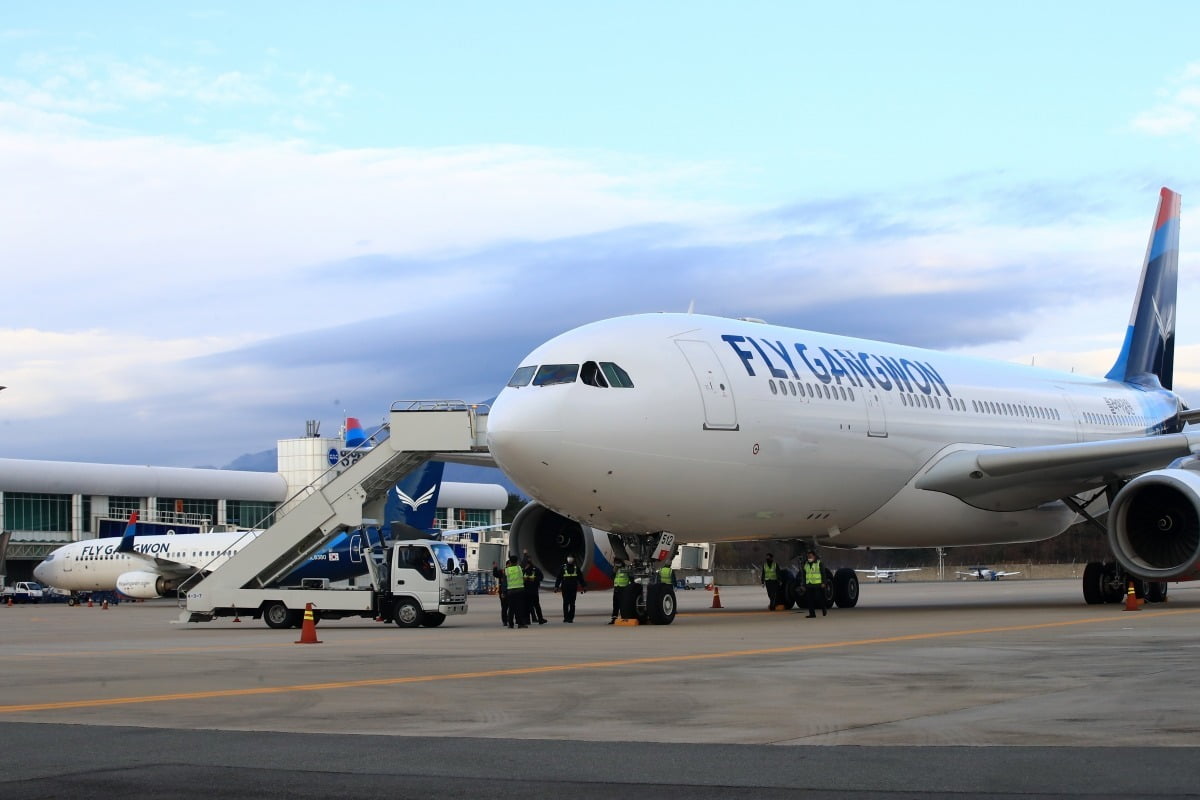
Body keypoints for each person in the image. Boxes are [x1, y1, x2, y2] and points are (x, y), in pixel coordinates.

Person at [554, 555, 587, 622]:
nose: (570, 559)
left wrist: (584, 586)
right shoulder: (563, 567)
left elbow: (580, 578)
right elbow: (559, 578)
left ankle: (570, 618)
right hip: (566, 588)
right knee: (566, 603)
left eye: (571, 558)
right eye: (569, 558)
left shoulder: (576, 568)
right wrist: (556, 586)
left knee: (572, 603)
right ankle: (566, 617)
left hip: (572, 588)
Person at [504, 555, 529, 628]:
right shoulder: (519, 568)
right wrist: (525, 554)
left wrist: (504, 592)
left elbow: (504, 582)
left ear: (510, 562)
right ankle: (520, 623)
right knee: (520, 608)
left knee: (511, 608)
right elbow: (524, 563)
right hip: (519, 590)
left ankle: (510, 624)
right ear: (517, 561)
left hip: (510, 591)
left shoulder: (507, 570)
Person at [802, 550, 827, 618]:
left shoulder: (819, 563)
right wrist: (803, 585)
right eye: (808, 556)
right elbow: (804, 575)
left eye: (810, 556)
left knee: (819, 598)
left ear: (814, 556)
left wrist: (823, 582)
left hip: (817, 584)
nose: (809, 557)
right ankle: (812, 614)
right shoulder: (806, 564)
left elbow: (823, 573)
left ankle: (823, 608)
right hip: (809, 584)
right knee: (810, 600)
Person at [524, 557, 547, 624]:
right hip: (532, 591)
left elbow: (541, 577)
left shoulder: (534, 569)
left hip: (530, 590)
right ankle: (539, 619)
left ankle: (529, 620)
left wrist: (534, 579)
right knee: (535, 606)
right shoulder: (525, 570)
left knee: (530, 606)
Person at [609, 557, 633, 624]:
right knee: (615, 604)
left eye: (617, 562)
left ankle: (624, 617)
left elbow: (631, 578)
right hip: (616, 588)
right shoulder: (615, 569)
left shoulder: (626, 568)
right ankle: (614, 618)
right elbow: (611, 577)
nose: (616, 564)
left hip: (623, 589)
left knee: (623, 604)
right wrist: (614, 570)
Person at [492, 561, 510, 627]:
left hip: (511, 591)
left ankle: (509, 619)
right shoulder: (502, 571)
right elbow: (495, 574)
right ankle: (505, 621)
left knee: (511, 607)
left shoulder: (513, 572)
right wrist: (495, 567)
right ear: (507, 565)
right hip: (503, 592)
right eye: (509, 565)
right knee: (504, 607)